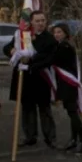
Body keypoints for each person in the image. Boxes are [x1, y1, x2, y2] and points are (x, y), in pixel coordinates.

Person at [5, 10, 57, 147]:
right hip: (25, 80)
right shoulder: (23, 35)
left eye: (43, 20)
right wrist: (13, 51)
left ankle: (50, 137)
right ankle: (30, 136)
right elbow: (8, 47)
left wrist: (30, 61)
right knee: (27, 109)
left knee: (44, 109)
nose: (40, 23)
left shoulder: (49, 39)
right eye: (37, 21)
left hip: (40, 79)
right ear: (31, 22)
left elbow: (48, 58)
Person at [52, 23, 82, 154]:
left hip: (69, 84)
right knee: (71, 112)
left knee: (73, 113)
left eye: (59, 32)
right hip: (65, 84)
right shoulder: (61, 45)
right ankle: (74, 139)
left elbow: (53, 60)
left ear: (65, 33)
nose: (57, 34)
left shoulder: (65, 47)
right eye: (55, 32)